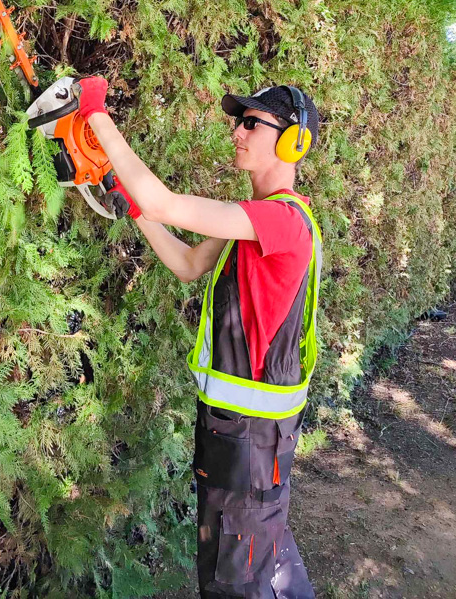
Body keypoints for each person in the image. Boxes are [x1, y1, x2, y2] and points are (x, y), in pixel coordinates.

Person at [76, 78, 322, 598]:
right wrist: (125, 198)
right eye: (239, 120)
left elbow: (164, 202)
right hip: (238, 439)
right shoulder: (252, 221)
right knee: (256, 559)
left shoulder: (282, 223)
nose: (237, 131)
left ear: (292, 141)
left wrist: (94, 113)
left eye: (252, 122)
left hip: (251, 446)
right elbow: (187, 263)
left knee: (236, 579)